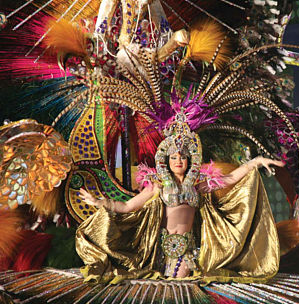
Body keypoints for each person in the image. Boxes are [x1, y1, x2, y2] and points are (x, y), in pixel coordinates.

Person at [76, 118, 284, 283]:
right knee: (166, 285)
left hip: (188, 247)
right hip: (161, 248)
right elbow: (127, 206)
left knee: (181, 283)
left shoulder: (198, 185)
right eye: (174, 157)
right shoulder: (157, 185)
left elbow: (229, 179)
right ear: (166, 161)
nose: (178, 161)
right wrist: (98, 202)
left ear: (190, 160)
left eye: (182, 157)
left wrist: (254, 163)